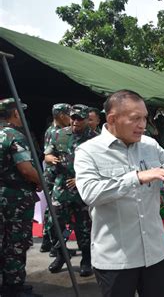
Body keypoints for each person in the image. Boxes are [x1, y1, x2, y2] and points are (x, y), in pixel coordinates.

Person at [74, 90, 164, 297]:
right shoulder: (88, 152)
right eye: (135, 119)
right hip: (116, 258)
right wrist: (137, 177)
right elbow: (90, 193)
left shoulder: (149, 145)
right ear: (113, 119)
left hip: (155, 253)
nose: (143, 125)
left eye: (145, 118)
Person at [44, 104, 97, 276]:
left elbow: (100, 166)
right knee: (54, 223)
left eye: (79, 118)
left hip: (82, 188)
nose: (75, 121)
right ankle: (61, 254)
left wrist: (81, 179)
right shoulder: (58, 134)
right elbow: (48, 153)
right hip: (61, 185)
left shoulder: (94, 139)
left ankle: (86, 260)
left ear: (87, 120)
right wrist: (48, 157)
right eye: (73, 117)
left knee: (83, 226)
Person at [0, 98, 42, 297]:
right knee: (16, 243)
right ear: (15, 113)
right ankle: (14, 286)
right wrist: (41, 181)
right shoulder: (14, 135)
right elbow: (26, 169)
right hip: (15, 199)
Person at [40, 103, 71, 253]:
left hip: (53, 175)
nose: (71, 118)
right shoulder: (56, 132)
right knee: (56, 211)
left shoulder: (52, 130)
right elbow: (49, 155)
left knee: (51, 210)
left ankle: (48, 241)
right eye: (69, 115)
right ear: (61, 116)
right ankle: (54, 244)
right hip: (55, 176)